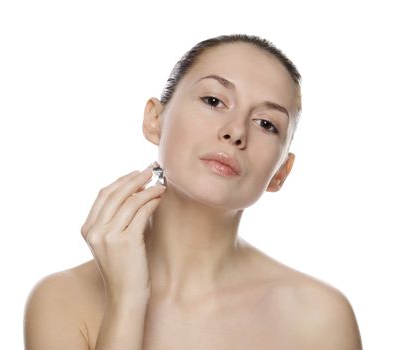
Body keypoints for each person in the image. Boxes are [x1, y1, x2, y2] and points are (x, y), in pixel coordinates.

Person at [23, 34, 363, 350]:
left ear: (281, 173)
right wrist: (126, 300)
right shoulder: (62, 299)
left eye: (266, 124)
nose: (235, 132)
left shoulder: (320, 317)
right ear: (155, 119)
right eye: (214, 100)